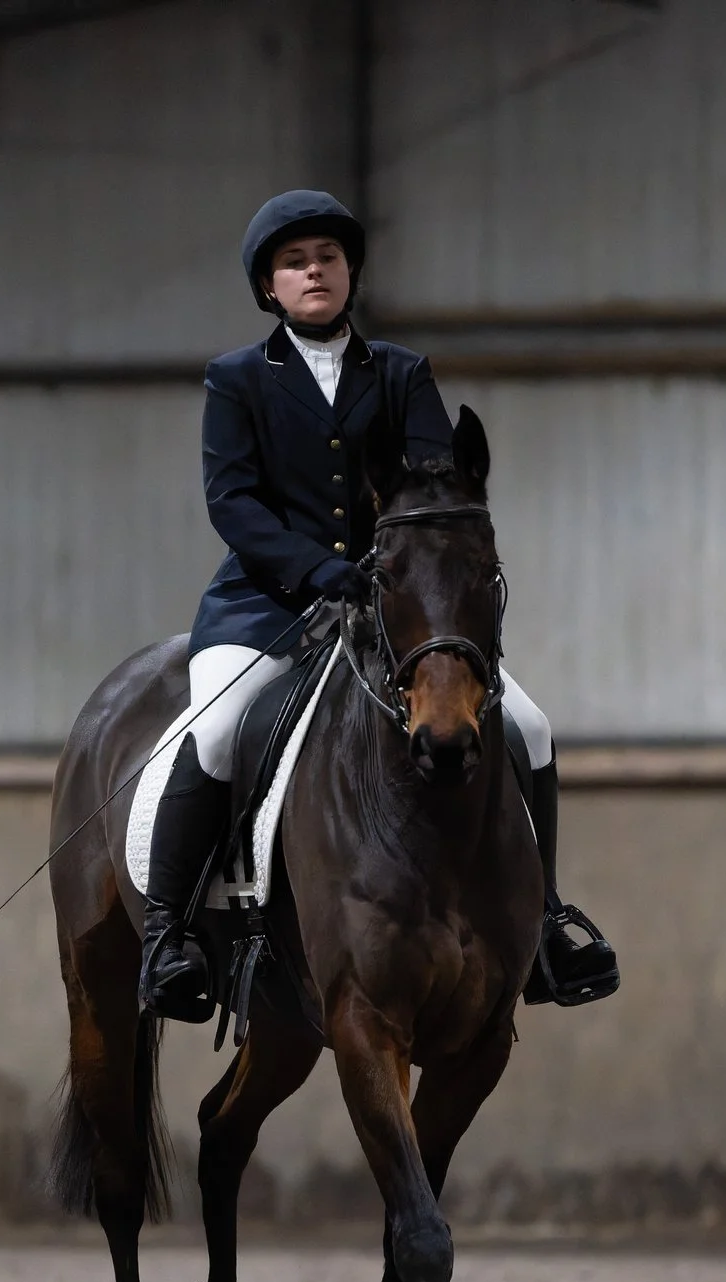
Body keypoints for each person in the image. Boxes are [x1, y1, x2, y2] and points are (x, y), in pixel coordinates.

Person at [135, 189, 619, 1021]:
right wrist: (318, 570)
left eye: (326, 255)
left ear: (349, 271)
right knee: (214, 728)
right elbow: (233, 503)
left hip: (392, 610)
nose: (313, 269)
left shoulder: (401, 373)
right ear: (269, 288)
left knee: (529, 727)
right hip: (265, 604)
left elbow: (434, 481)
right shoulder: (239, 380)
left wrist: (393, 568)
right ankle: (166, 936)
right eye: (294, 262)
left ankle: (542, 923)